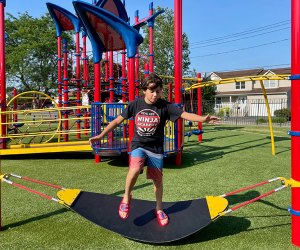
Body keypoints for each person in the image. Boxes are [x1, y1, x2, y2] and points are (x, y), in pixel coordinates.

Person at [89, 73, 219, 227]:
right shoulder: (135, 105)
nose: (155, 95)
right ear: (144, 90)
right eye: (151, 91)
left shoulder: (164, 106)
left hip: (156, 149)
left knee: (158, 182)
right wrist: (101, 135)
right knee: (135, 168)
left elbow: (185, 115)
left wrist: (203, 119)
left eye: (158, 91)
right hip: (139, 145)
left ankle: (159, 209)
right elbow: (117, 121)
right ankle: (126, 197)